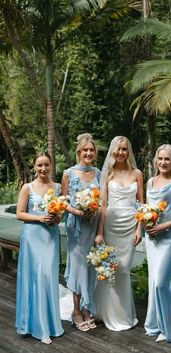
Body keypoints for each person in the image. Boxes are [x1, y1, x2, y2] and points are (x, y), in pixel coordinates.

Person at [94, 136, 143, 331]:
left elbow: (141, 203)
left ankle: (123, 314)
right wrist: (99, 233)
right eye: (118, 149)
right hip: (111, 225)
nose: (121, 152)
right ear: (113, 151)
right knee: (111, 268)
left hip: (130, 225)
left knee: (124, 269)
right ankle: (107, 312)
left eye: (124, 149)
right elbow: (103, 205)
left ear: (128, 151)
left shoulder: (137, 173)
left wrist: (140, 228)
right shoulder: (108, 173)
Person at [15, 152, 64, 345]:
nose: (43, 169)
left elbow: (60, 215)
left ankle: (51, 325)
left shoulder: (57, 187)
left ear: (51, 165)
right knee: (34, 278)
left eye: (46, 165)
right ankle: (37, 327)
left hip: (50, 237)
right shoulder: (27, 187)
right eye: (39, 165)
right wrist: (39, 218)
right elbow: (19, 214)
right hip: (32, 237)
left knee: (48, 277)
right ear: (34, 167)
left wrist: (56, 218)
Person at [144, 144, 171, 343]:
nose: (163, 162)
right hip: (151, 239)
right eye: (160, 159)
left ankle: (169, 328)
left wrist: (163, 226)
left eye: (167, 159)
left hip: (168, 237)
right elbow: (145, 209)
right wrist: (144, 225)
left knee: (161, 282)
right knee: (153, 281)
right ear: (155, 160)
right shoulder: (150, 181)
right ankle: (155, 324)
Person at [62, 133, 100, 331]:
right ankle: (76, 311)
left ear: (95, 153)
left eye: (91, 150)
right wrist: (77, 211)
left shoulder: (98, 173)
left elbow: (102, 203)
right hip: (76, 227)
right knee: (78, 267)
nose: (88, 153)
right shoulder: (68, 173)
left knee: (90, 267)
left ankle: (87, 308)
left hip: (92, 226)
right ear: (78, 152)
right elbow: (63, 201)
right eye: (85, 150)